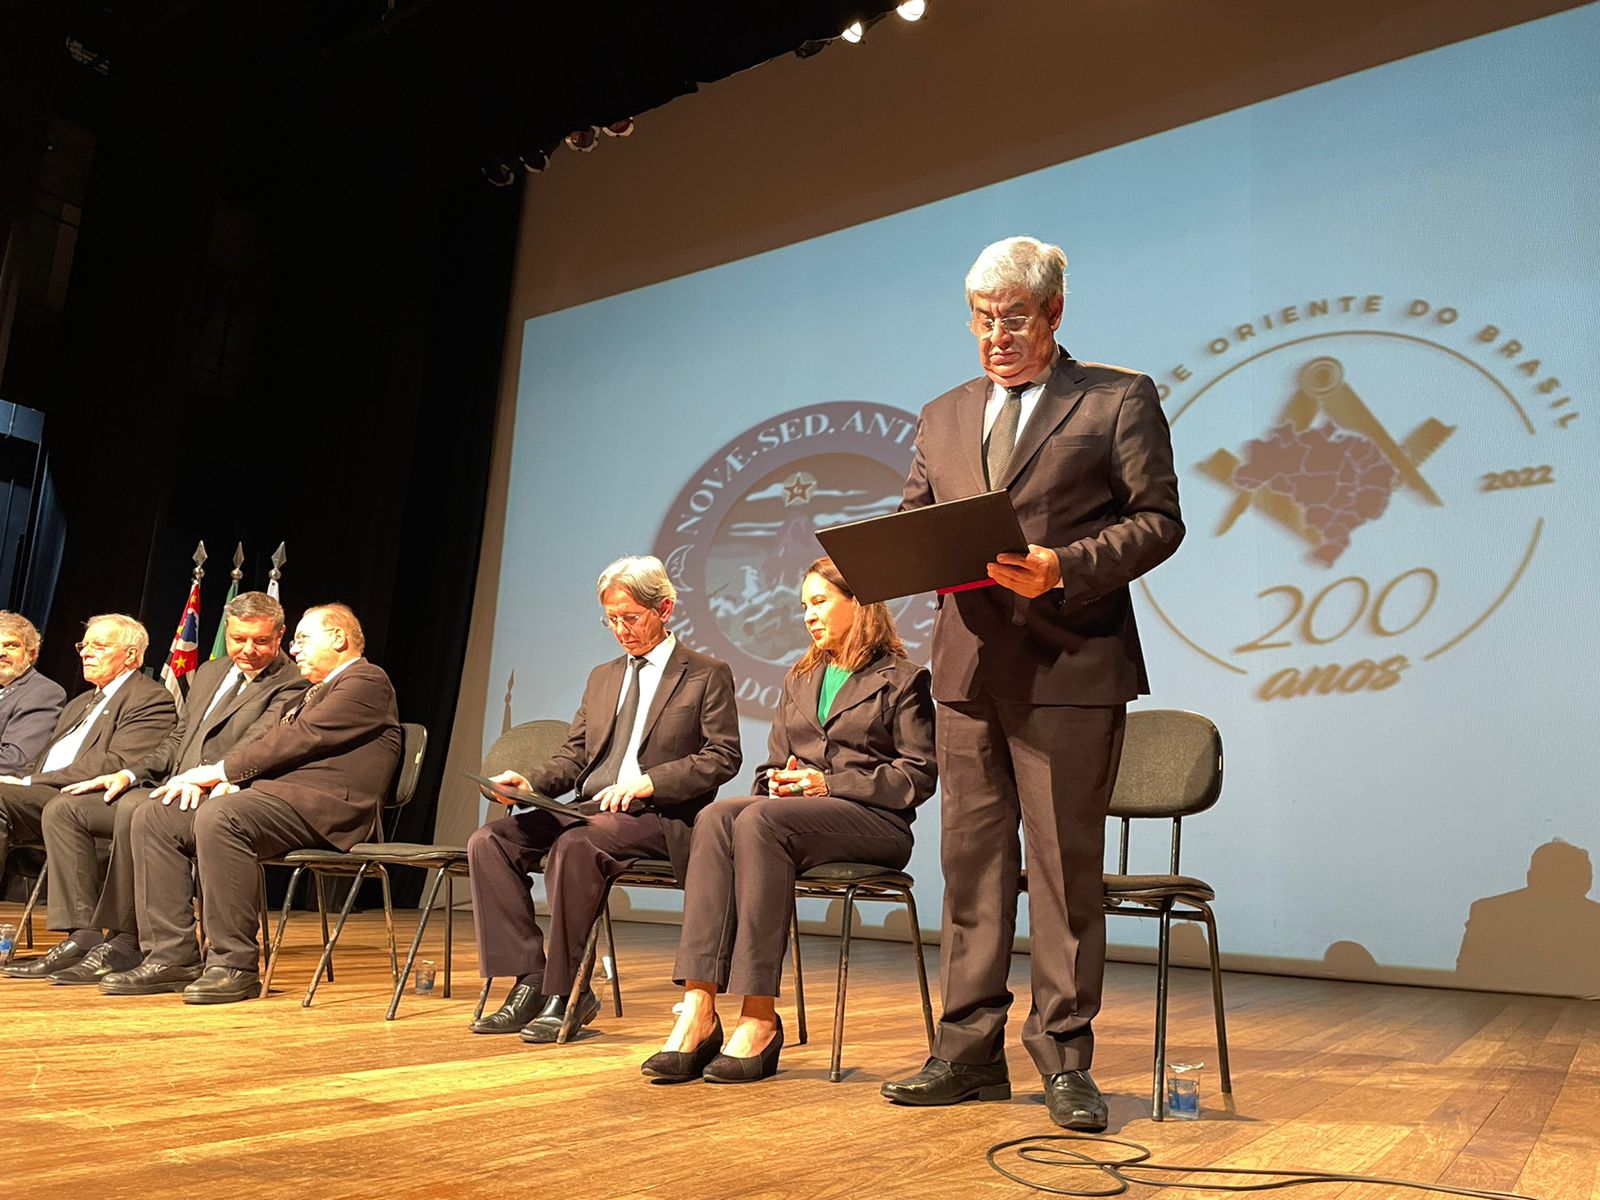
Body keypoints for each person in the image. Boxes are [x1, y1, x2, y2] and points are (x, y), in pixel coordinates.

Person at [880, 237, 1184, 1130]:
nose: (995, 336)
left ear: (1054, 312)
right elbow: (915, 519)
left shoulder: (1117, 398)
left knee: (1061, 874)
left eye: (1013, 318)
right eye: (981, 319)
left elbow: (1159, 520)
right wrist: (897, 553)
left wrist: (1066, 565)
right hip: (968, 672)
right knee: (971, 873)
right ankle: (966, 1053)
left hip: (1071, 667)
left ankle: (1064, 1059)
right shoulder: (943, 413)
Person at [641, 557, 935, 1083]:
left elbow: (917, 776)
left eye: (819, 602)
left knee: (760, 823)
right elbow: (773, 766)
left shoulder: (904, 679)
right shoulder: (800, 678)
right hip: (798, 818)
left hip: (875, 824)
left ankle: (759, 1017)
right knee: (718, 816)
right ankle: (699, 1008)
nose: (808, 615)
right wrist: (777, 783)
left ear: (859, 602)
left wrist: (830, 783)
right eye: (803, 606)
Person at [467, 554, 741, 1043]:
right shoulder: (603, 676)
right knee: (489, 842)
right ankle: (530, 979)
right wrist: (529, 783)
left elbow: (723, 756)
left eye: (630, 617)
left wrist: (651, 781)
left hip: (658, 815)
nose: (620, 630)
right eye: (611, 619)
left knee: (577, 845)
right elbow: (575, 756)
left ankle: (568, 991)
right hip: (591, 810)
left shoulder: (705, 673)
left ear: (665, 609)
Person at [99, 603, 401, 1004]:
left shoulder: (366, 680)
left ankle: (233, 965)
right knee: (157, 814)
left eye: (303, 639)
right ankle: (171, 956)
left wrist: (220, 773)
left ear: (339, 639)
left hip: (328, 808)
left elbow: (300, 739)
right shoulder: (313, 690)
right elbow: (270, 744)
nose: (294, 649)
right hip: (277, 798)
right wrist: (234, 781)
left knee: (222, 817)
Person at [38, 592, 307, 985]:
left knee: (137, 809)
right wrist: (129, 774)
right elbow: (178, 738)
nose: (248, 650)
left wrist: (205, 777)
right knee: (67, 808)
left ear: (280, 635)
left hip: (220, 793)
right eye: (238, 639)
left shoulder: (294, 682)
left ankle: (129, 940)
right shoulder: (211, 672)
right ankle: (83, 936)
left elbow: (257, 744)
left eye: (261, 641)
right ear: (227, 632)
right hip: (171, 787)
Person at [0, 613, 176, 979]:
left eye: (99, 646)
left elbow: (115, 762)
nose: (86, 653)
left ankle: (82, 937)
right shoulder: (80, 702)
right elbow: (41, 759)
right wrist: (22, 779)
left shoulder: (150, 698)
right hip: (45, 796)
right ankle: (81, 937)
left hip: (92, 801)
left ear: (131, 655)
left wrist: (28, 781)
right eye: (85, 645)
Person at [0, 612, 66, 774]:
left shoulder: (44, 692)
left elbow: (16, 760)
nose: (1, 652)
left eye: (11, 645)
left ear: (31, 654)